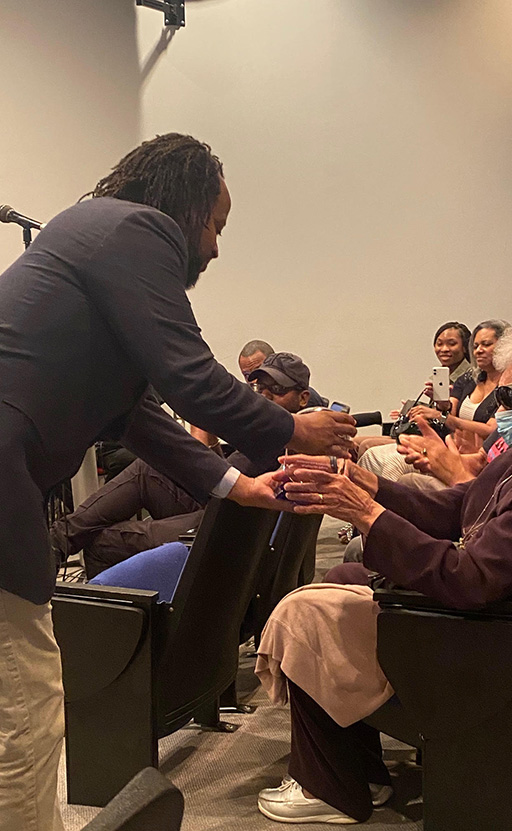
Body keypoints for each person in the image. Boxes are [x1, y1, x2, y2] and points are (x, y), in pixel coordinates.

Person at [0, 133, 355, 831]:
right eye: (217, 224)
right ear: (186, 203)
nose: (217, 246)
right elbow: (191, 379)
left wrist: (235, 484)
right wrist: (293, 430)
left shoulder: (90, 235)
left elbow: (139, 413)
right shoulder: (139, 228)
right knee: (25, 704)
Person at [253, 314, 512, 825]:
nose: (500, 411)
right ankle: (358, 768)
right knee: (344, 579)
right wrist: (369, 487)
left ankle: (332, 789)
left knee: (304, 612)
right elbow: (460, 509)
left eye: (511, 398)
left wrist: (366, 516)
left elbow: (471, 579)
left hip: (494, 641)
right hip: (494, 620)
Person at [51, 352, 314, 577]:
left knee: (101, 543)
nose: (265, 398)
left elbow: (228, 487)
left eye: (277, 391)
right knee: (147, 469)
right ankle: (54, 543)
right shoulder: (273, 432)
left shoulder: (281, 437)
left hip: (221, 532)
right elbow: (228, 481)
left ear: (303, 398)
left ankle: (129, 630)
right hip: (223, 512)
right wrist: (208, 441)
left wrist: (203, 437)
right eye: (261, 389)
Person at [359, 319, 508, 483]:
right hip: (451, 446)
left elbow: (490, 429)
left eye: (486, 345)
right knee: (371, 455)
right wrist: (441, 406)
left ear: (505, 347)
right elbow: (448, 413)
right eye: (476, 346)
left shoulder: (509, 387)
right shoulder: (469, 378)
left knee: (393, 463)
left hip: (471, 456)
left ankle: (382, 507)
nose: (479, 351)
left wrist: (441, 416)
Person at [356, 320, 472, 459]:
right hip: (425, 433)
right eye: (439, 343)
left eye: (452, 344)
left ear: (465, 347)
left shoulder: (468, 379)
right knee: (354, 443)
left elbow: (448, 418)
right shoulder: (441, 375)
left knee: (366, 445)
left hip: (442, 440)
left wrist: (430, 412)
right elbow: (437, 412)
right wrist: (412, 411)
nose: (444, 349)